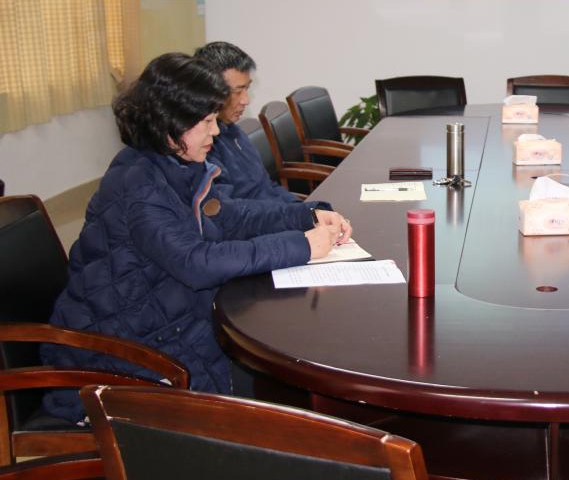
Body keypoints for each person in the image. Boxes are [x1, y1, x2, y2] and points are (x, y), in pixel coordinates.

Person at [42, 53, 352, 422]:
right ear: (169, 123)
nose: (216, 131)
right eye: (206, 122)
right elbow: (196, 263)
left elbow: (231, 216)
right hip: (121, 356)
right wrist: (302, 246)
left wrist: (304, 215)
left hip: (167, 323)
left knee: (285, 376)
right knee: (280, 398)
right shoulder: (138, 185)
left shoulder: (175, 166)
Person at [194, 40, 299, 203]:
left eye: (247, 89)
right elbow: (234, 212)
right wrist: (297, 214)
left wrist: (303, 208)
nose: (246, 100)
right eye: (237, 92)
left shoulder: (234, 131)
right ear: (211, 90)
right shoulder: (203, 148)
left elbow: (267, 186)